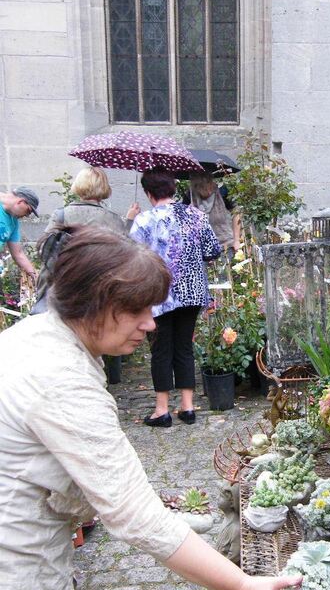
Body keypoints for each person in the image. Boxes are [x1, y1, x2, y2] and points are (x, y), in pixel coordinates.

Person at [0, 226, 300, 590]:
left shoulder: (35, 338)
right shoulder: (59, 375)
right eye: (136, 309)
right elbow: (134, 515)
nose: (150, 323)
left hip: (32, 586)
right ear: (94, 303)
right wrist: (241, 586)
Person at [130, 169, 221, 427]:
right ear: (172, 188)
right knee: (184, 346)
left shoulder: (145, 220)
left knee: (160, 349)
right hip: (192, 292)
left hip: (159, 293)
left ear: (149, 193)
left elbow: (131, 256)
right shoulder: (195, 214)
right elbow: (213, 250)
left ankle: (162, 410)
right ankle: (188, 406)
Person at [34, 167, 135, 316]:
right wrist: (130, 221)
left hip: (64, 286)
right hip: (99, 289)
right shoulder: (113, 220)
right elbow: (125, 254)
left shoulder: (61, 215)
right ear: (104, 187)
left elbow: (44, 248)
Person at [189, 171, 241, 258]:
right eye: (202, 187)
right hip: (202, 250)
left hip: (226, 246)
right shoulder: (190, 195)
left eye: (208, 186)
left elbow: (236, 212)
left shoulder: (222, 190)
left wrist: (236, 240)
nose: (208, 191)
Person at [0, 186, 39, 279]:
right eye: (28, 211)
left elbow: (18, 254)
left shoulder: (13, 222)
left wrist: (36, 277)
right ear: (20, 202)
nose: (27, 215)